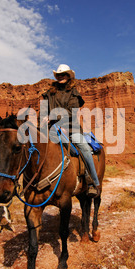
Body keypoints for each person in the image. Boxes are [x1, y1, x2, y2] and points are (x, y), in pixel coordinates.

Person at [41, 64, 100, 197]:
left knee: (84, 147)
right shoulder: (48, 94)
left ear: (68, 76)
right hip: (52, 129)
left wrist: (55, 118)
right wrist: (43, 120)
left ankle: (92, 183)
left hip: (71, 128)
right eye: (59, 75)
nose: (61, 76)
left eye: (64, 74)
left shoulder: (73, 93)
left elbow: (71, 111)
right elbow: (43, 112)